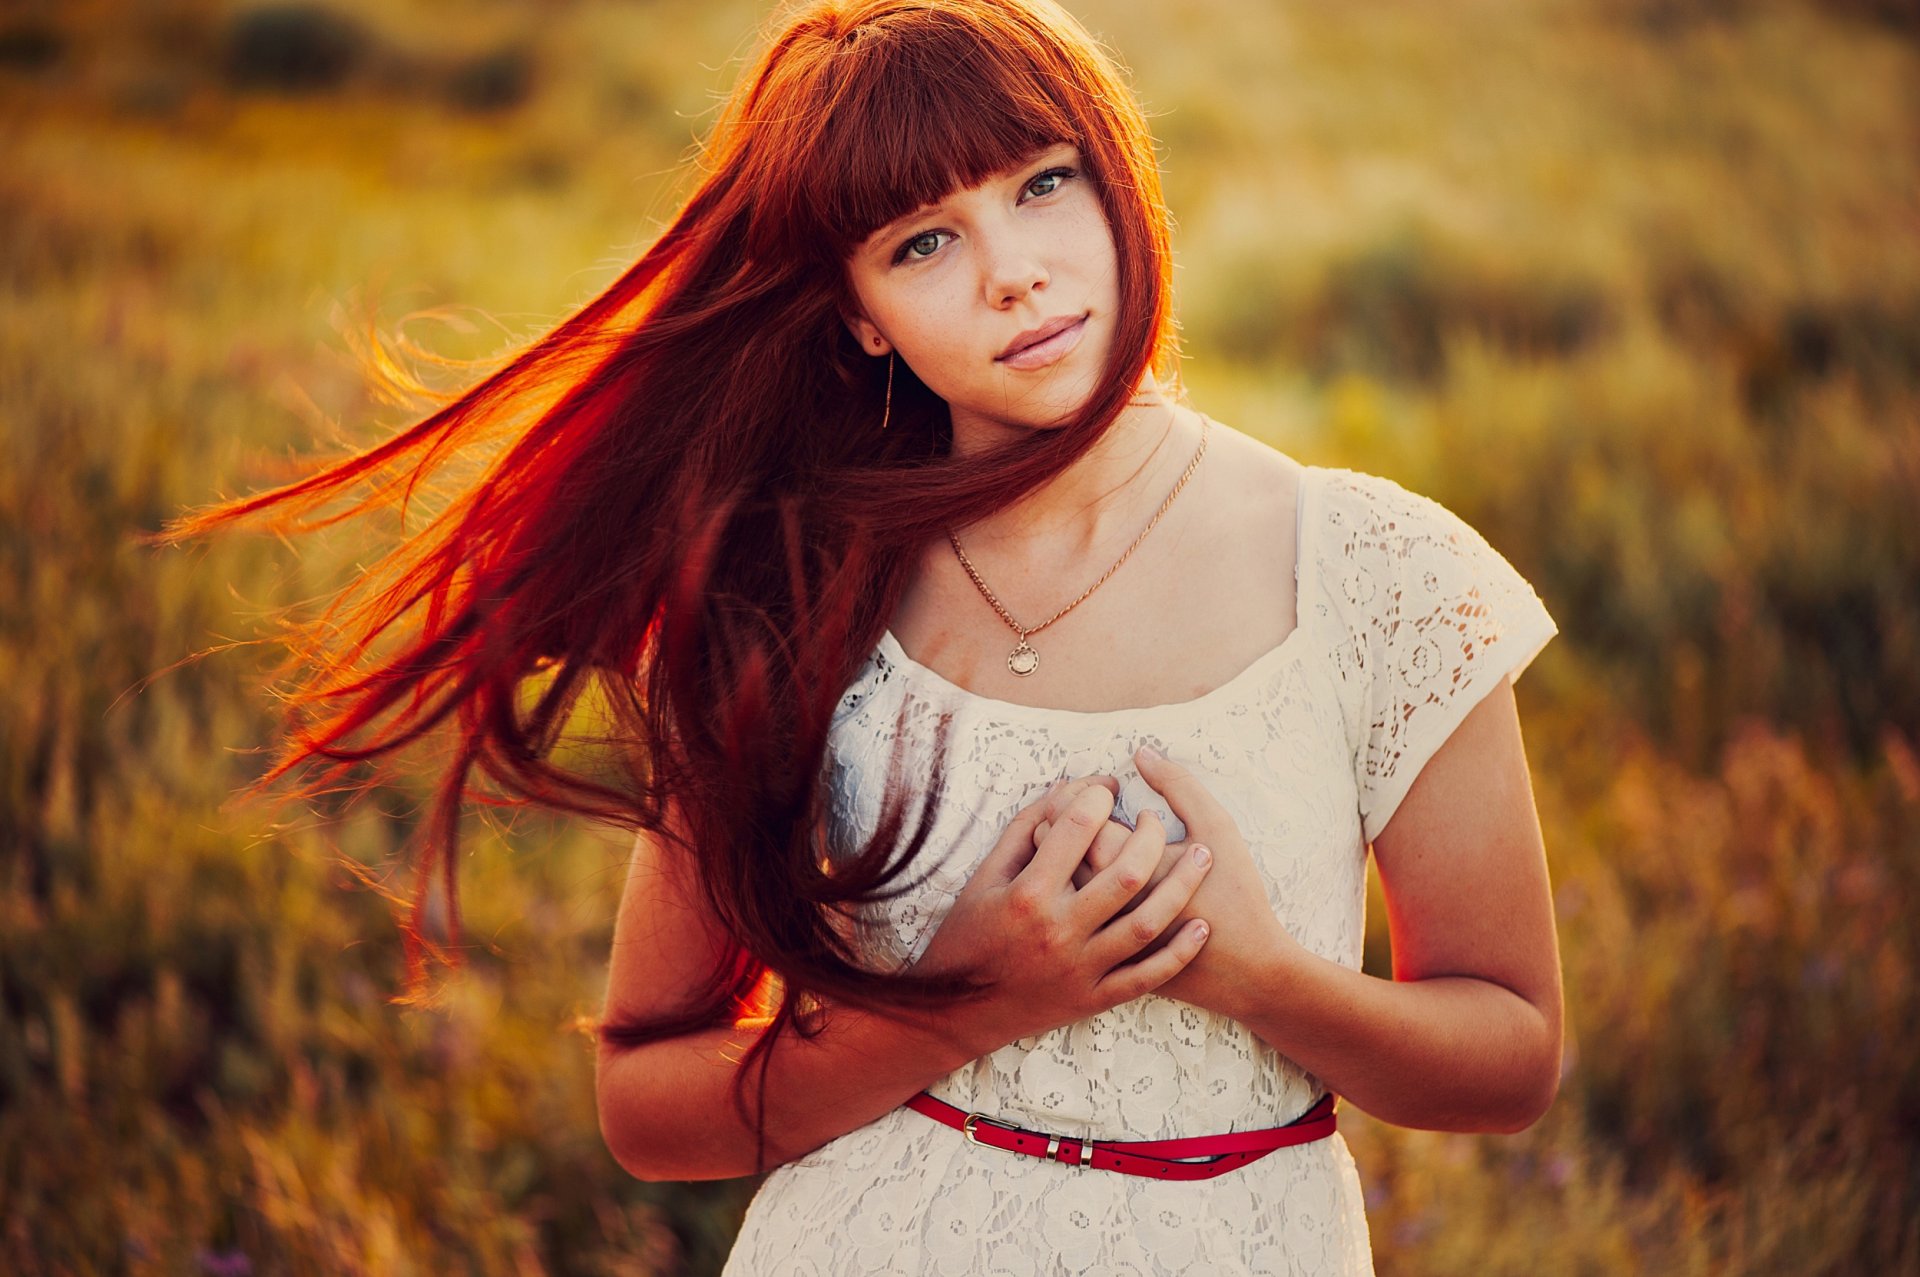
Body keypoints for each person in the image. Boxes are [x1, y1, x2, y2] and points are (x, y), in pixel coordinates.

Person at [171, 0, 1564, 1272]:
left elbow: (1511, 1057)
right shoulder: (796, 587)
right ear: (861, 316)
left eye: (1041, 185)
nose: (1014, 273)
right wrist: (966, 999)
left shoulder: (1381, 568)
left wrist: (1259, 976)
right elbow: (648, 1106)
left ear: (1119, 179)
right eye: (923, 242)